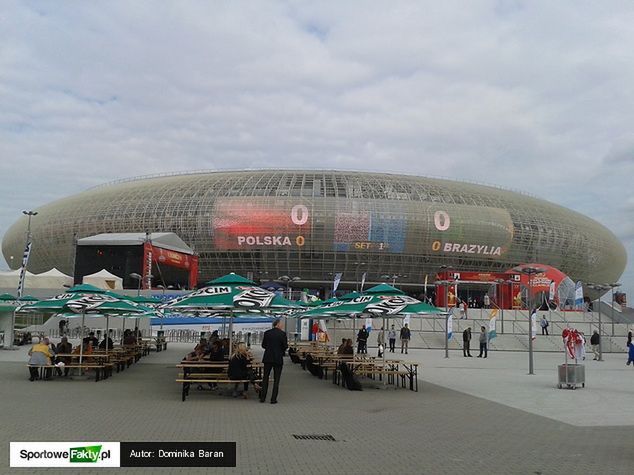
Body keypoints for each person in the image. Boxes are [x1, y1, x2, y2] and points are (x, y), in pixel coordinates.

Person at [260, 318, 288, 404]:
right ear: (278, 324)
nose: (282, 325)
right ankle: (273, 399)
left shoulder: (267, 333)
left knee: (265, 378)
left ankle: (262, 397)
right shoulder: (282, 334)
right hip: (278, 358)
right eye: (281, 324)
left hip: (267, 358)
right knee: (276, 379)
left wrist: (269, 349)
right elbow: (285, 346)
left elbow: (263, 345)